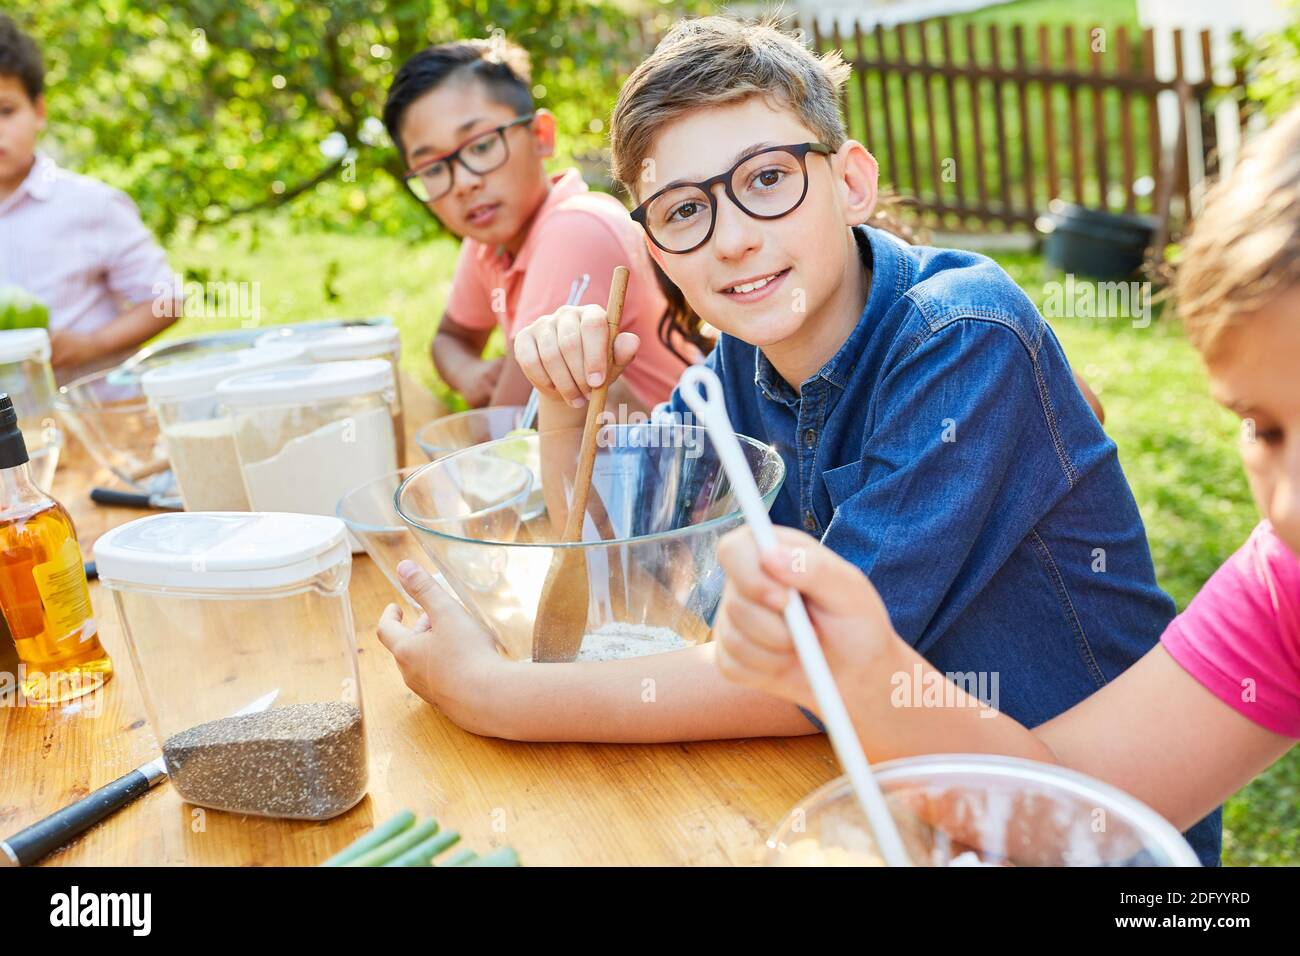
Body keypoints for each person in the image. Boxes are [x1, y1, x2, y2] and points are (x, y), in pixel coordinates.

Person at [375, 15, 1214, 861]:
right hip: (899, 804)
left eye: (768, 178)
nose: (734, 236)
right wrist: (566, 405)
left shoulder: (962, 338)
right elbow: (620, 564)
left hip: (1090, 836)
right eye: (684, 210)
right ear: (658, 252)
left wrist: (494, 695)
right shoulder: (733, 369)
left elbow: (810, 679)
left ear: (851, 181)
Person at [711, 105, 1300, 863]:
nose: (1286, 505)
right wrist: (866, 668)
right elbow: (1073, 803)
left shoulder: (962, 332)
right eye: (1265, 429)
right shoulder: (1283, 587)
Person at [382, 36, 696, 412]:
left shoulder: (574, 229)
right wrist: (469, 373)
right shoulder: (488, 244)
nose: (465, 183)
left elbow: (507, 427)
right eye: (433, 168)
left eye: (481, 146)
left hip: (681, 459)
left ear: (541, 136)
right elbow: (451, 338)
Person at [0, 15, 181, 381]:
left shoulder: (90, 204)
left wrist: (91, 345)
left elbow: (166, 300)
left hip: (98, 418)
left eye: (5, 111)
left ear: (38, 112)